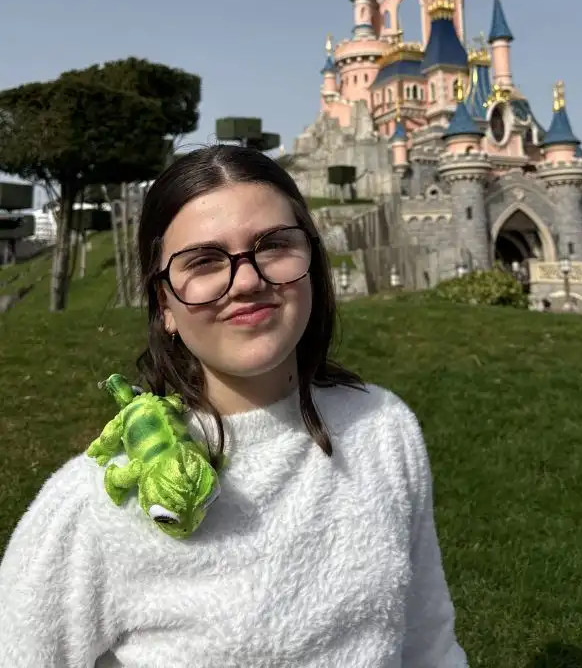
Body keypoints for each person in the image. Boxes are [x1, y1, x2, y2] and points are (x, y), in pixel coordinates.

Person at [0, 145, 467, 667]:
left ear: (312, 263)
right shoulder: (94, 505)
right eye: (203, 261)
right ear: (164, 305)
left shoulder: (384, 429)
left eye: (274, 245)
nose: (247, 281)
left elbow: (429, 645)